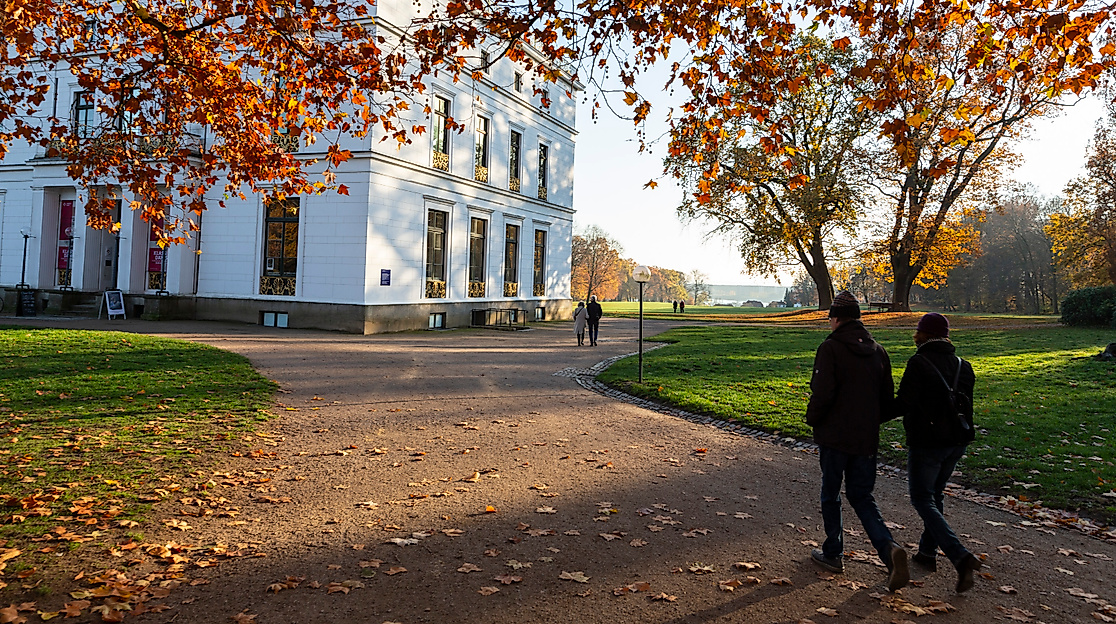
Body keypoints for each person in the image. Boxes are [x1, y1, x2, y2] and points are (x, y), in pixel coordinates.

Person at [805, 291, 909, 592]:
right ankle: (888, 550)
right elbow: (887, 401)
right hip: (865, 438)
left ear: (835, 318)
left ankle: (833, 552)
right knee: (862, 496)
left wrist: (812, 418)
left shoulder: (831, 348)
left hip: (835, 435)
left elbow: (822, 392)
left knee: (831, 493)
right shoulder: (879, 351)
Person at [894, 312, 982, 593]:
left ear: (921, 334)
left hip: (927, 442)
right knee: (936, 494)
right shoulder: (963, 366)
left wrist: (870, 416)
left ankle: (959, 555)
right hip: (956, 441)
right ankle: (927, 553)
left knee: (922, 498)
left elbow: (904, 403)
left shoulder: (918, 362)